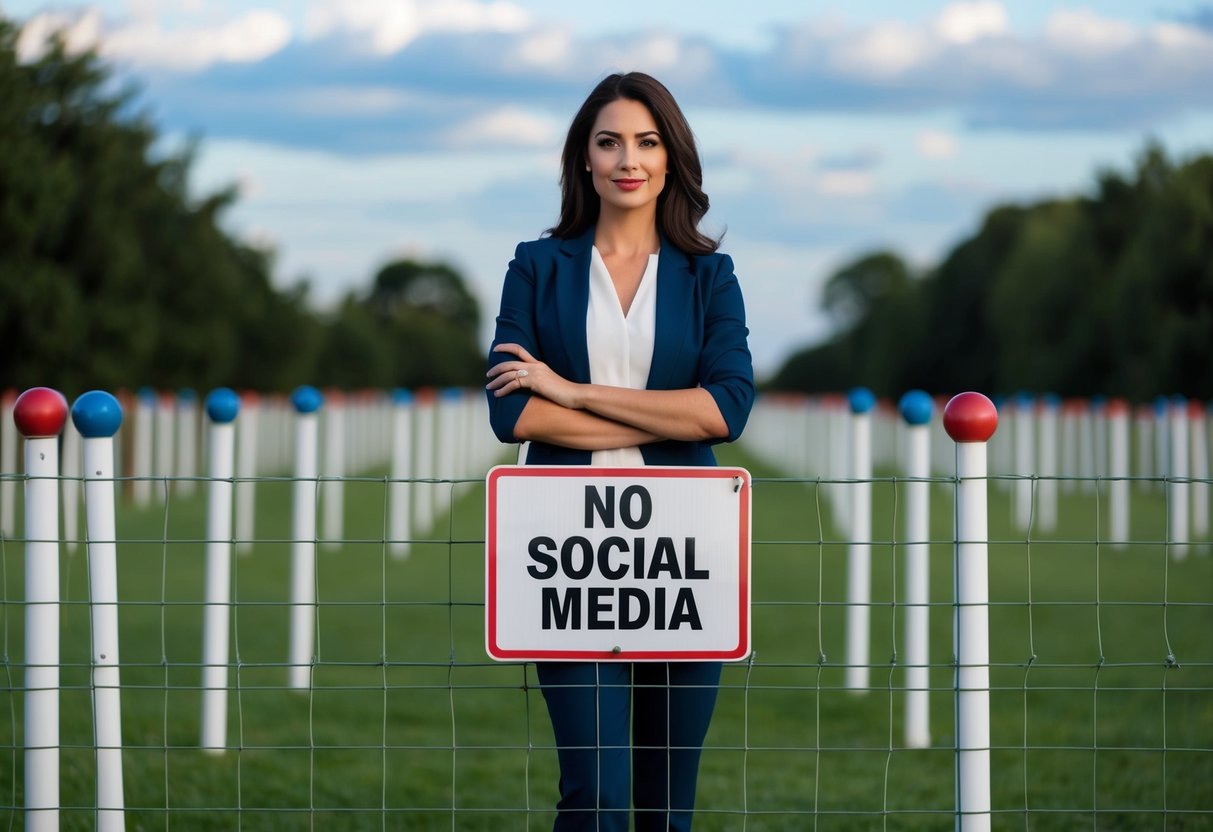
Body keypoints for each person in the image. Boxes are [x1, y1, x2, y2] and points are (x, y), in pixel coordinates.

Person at [485, 71, 755, 832]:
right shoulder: (537, 267)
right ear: (583, 160)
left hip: (683, 556)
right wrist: (671, 417)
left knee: (667, 809)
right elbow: (510, 412)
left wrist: (570, 393)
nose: (626, 159)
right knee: (595, 797)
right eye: (608, 142)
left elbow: (726, 407)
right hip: (566, 555)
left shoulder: (709, 276)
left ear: (671, 158)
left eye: (646, 141)